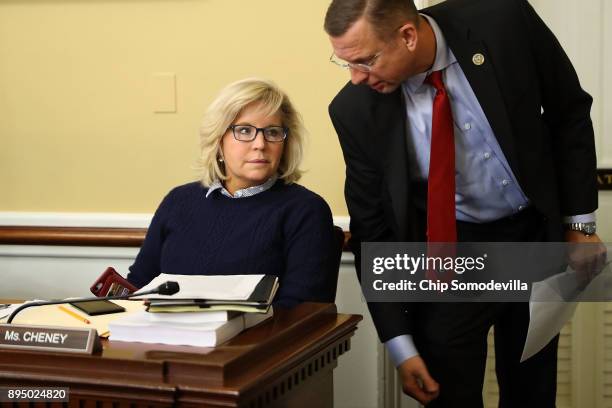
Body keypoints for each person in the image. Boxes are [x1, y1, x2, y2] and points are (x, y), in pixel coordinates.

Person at [324, 0, 602, 406]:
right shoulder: (354, 110)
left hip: (531, 235)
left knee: (532, 392)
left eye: (364, 61)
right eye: (343, 62)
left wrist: (580, 225)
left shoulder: (503, 21)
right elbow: (372, 228)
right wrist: (401, 346)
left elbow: (568, 110)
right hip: (448, 254)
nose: (355, 79)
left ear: (407, 35)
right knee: (448, 395)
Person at [127, 78, 339, 307]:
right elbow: (138, 286)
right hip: (162, 339)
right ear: (218, 141)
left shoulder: (305, 209)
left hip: (256, 341)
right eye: (245, 130)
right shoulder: (178, 201)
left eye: (273, 132)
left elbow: (302, 311)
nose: (260, 143)